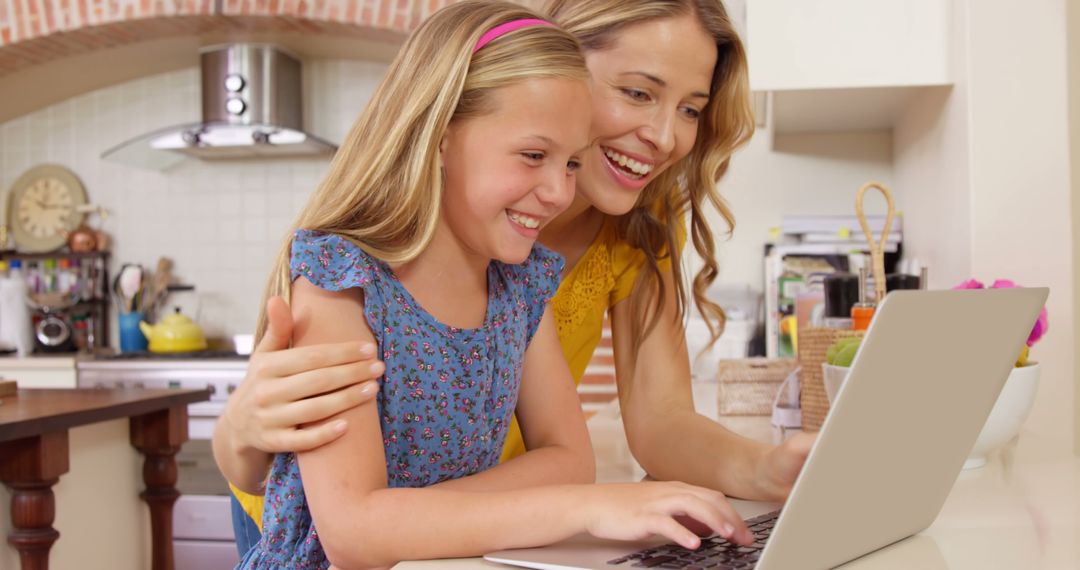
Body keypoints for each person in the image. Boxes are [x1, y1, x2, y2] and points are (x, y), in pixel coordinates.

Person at [216, 0, 815, 555]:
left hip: (482, 530)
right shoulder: (348, 277)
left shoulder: (536, 271)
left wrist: (768, 469)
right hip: (308, 526)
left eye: (690, 109)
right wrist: (575, 504)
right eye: (637, 92)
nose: (664, 137)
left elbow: (645, 425)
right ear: (560, 58)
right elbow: (347, 526)